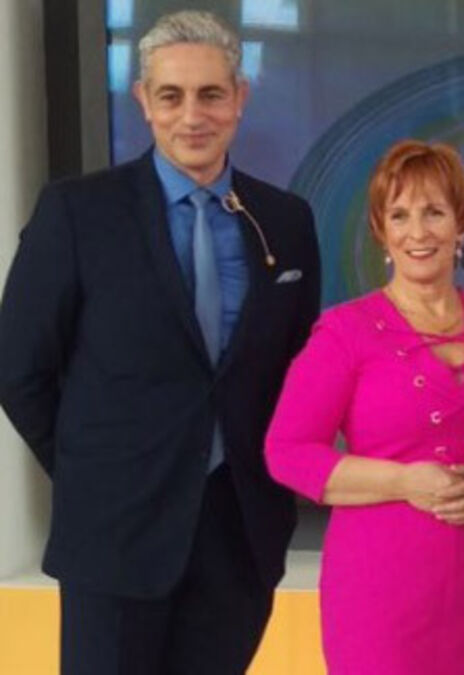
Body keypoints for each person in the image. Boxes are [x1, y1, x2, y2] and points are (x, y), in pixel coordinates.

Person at [0, 11, 321, 674]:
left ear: (240, 97)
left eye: (211, 94)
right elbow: (19, 367)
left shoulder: (285, 221)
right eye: (171, 96)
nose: (192, 116)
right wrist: (94, 469)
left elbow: (295, 367)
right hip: (114, 533)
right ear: (144, 101)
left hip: (239, 535)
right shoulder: (77, 212)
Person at [265, 139, 464, 674]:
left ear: (462, 226)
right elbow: (287, 452)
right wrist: (405, 482)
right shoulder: (345, 331)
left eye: (434, 212)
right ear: (381, 232)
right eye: (400, 215)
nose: (418, 232)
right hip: (379, 581)